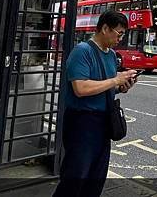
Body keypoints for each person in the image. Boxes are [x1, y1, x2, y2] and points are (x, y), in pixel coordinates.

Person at [53, 10, 137, 197]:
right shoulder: (82, 51)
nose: (120, 38)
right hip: (81, 123)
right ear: (105, 28)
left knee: (96, 178)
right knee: (75, 177)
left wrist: (122, 87)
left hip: (103, 122)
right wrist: (115, 80)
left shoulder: (111, 55)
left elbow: (102, 86)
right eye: (119, 33)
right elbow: (81, 88)